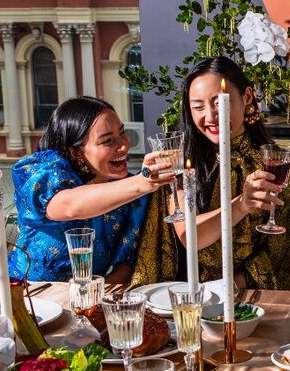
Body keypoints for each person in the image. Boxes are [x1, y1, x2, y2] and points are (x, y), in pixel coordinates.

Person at [133, 56, 290, 290]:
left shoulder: (275, 163)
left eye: (220, 103)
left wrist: (230, 287)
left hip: (247, 292)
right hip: (185, 291)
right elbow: (190, 236)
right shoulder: (181, 162)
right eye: (198, 106)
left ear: (247, 97)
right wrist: (242, 204)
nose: (210, 116)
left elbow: (277, 247)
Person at [10, 96, 173, 283]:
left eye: (122, 133)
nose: (123, 145)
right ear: (76, 152)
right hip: (27, 297)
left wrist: (96, 302)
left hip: (87, 300)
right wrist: (142, 183)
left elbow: (125, 264)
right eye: (108, 141)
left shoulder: (131, 193)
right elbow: (70, 205)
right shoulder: (44, 172)